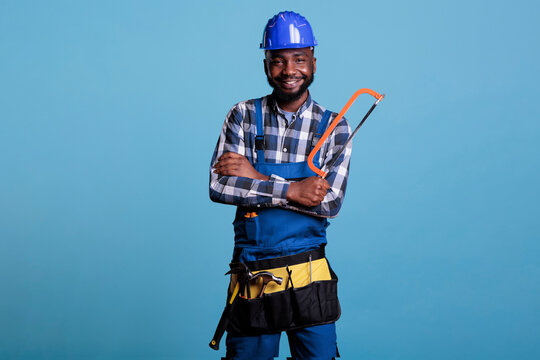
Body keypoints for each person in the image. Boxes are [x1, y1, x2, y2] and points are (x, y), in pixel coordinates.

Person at [209, 11, 352, 360]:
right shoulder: (241, 116)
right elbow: (219, 185)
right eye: (278, 61)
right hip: (253, 278)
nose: (290, 71)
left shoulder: (335, 126)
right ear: (266, 65)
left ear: (314, 63)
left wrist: (256, 177)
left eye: (299, 60)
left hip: (310, 277)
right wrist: (292, 190)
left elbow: (329, 202)